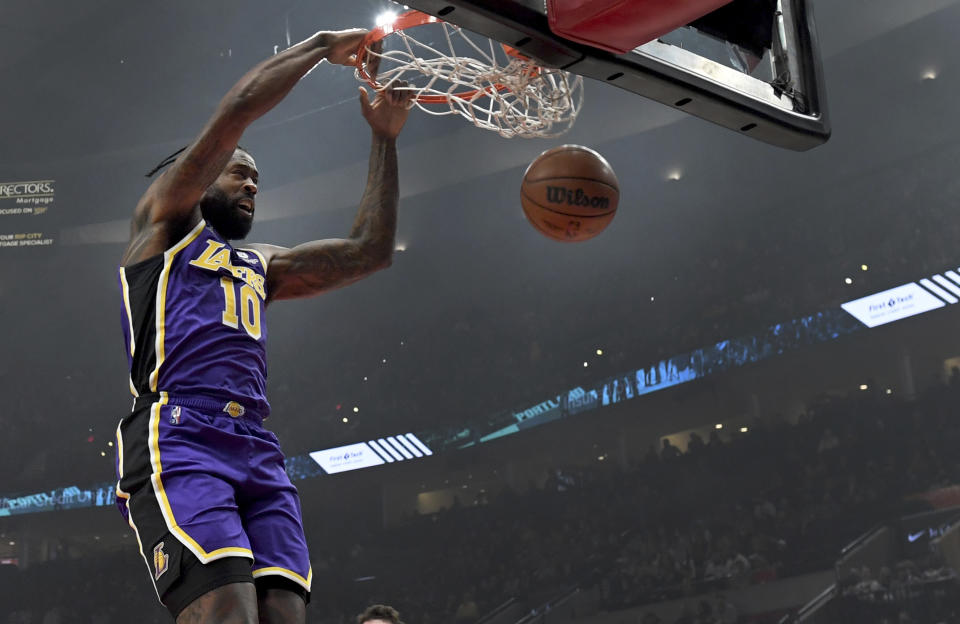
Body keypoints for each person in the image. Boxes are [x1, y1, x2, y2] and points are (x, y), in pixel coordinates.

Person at [114, 26, 414, 623]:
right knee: (229, 609)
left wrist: (384, 138)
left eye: (257, 179)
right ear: (198, 179)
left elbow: (370, 250)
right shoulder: (164, 226)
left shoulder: (263, 262)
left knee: (284, 613)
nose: (252, 183)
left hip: (255, 442)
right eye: (238, 173)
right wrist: (319, 45)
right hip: (179, 433)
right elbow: (236, 114)